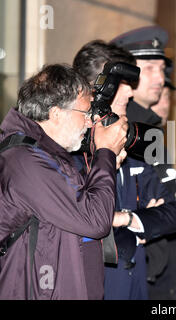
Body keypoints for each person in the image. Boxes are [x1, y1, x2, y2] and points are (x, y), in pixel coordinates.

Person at [0, 64, 128, 299]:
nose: (91, 123)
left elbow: (77, 210)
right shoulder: (25, 161)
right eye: (86, 114)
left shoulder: (47, 155)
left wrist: (106, 164)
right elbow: (95, 220)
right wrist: (106, 151)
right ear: (56, 113)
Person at [73, 40, 176, 300]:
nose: (131, 93)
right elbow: (84, 219)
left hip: (136, 286)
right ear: (98, 88)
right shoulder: (70, 152)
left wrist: (127, 219)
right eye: (125, 82)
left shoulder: (134, 145)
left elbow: (173, 214)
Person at [112, 26, 176, 299]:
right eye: (149, 68)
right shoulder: (119, 131)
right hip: (135, 274)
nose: (160, 78)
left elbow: (170, 212)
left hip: (160, 278)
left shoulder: (150, 130)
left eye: (162, 69)